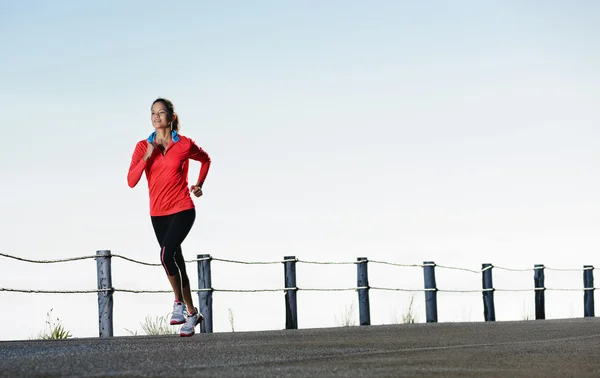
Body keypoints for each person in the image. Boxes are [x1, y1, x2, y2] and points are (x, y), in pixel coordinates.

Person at [127, 98, 211, 337]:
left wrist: (199, 184)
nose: (156, 117)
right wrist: (147, 157)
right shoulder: (143, 147)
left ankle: (178, 304)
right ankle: (193, 313)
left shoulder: (184, 144)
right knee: (177, 262)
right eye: (152, 113)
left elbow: (206, 159)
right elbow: (131, 181)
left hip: (183, 208)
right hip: (158, 213)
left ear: (171, 117)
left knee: (165, 255)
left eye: (161, 112)